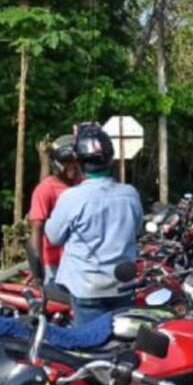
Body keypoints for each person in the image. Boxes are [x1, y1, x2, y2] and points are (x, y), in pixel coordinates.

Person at [45, 123, 143, 326]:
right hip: (123, 286)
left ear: (79, 162)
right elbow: (137, 230)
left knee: (89, 348)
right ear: (110, 159)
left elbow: (53, 237)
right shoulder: (130, 194)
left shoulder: (71, 197)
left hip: (86, 288)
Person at [27, 135, 80, 285]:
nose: (73, 166)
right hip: (54, 263)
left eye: (76, 161)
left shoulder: (84, 185)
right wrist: (36, 270)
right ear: (57, 164)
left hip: (80, 261)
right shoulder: (46, 189)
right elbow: (37, 228)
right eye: (68, 162)